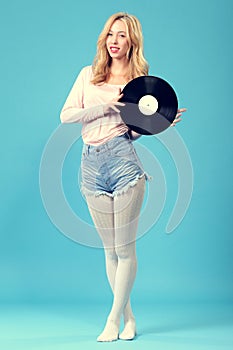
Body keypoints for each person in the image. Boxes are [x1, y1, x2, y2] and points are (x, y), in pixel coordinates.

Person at [60, 12, 186, 342]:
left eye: (123, 36)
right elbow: (67, 114)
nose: (115, 41)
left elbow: (131, 133)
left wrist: (160, 123)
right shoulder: (88, 75)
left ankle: (112, 320)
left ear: (133, 43)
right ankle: (129, 318)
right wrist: (106, 108)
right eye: (111, 35)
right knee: (110, 251)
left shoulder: (137, 84)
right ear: (105, 39)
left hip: (123, 163)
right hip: (91, 165)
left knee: (125, 248)